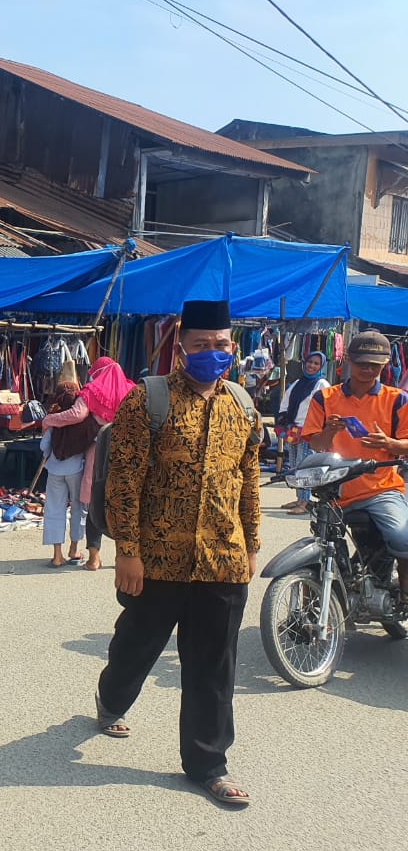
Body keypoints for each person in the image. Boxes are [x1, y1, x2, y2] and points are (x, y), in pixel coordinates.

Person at [97, 300, 259, 807]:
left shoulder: (243, 405)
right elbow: (124, 481)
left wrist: (251, 541)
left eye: (221, 345)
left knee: (214, 664)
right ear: (181, 347)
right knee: (138, 644)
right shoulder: (149, 399)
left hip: (222, 559)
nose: (212, 353)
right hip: (157, 557)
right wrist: (128, 551)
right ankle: (111, 698)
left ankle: (208, 762)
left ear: (232, 347)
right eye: (201, 345)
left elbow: (248, 479)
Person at [301, 330, 408, 597]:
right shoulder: (325, 398)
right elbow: (315, 444)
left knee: (402, 538)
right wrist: (330, 431)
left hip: (381, 490)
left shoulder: (398, 399)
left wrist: (388, 443)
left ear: (385, 365)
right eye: (362, 363)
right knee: (322, 545)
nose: (368, 369)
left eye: (375, 364)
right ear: (348, 360)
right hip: (334, 492)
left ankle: (406, 595)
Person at [40, 356, 134, 571]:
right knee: (124, 503)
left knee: (92, 503)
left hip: (98, 450)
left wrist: (49, 420)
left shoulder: (92, 391)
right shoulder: (132, 391)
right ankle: (123, 555)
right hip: (125, 452)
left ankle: (93, 558)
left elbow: (77, 414)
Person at [40, 381, 88, 567]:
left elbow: (44, 447)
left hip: (54, 469)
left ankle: (57, 555)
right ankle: (74, 549)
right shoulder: (82, 419)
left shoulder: (54, 418)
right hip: (76, 469)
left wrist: (49, 453)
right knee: (78, 507)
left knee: (54, 509)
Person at [278, 351, 330, 515]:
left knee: (304, 467)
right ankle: (299, 498)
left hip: (308, 431)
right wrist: (283, 417)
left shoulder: (322, 384)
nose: (312, 366)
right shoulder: (298, 382)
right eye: (310, 362)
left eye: (316, 363)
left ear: (321, 366)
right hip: (293, 429)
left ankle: (305, 502)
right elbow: (287, 400)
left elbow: (327, 407)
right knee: (294, 466)